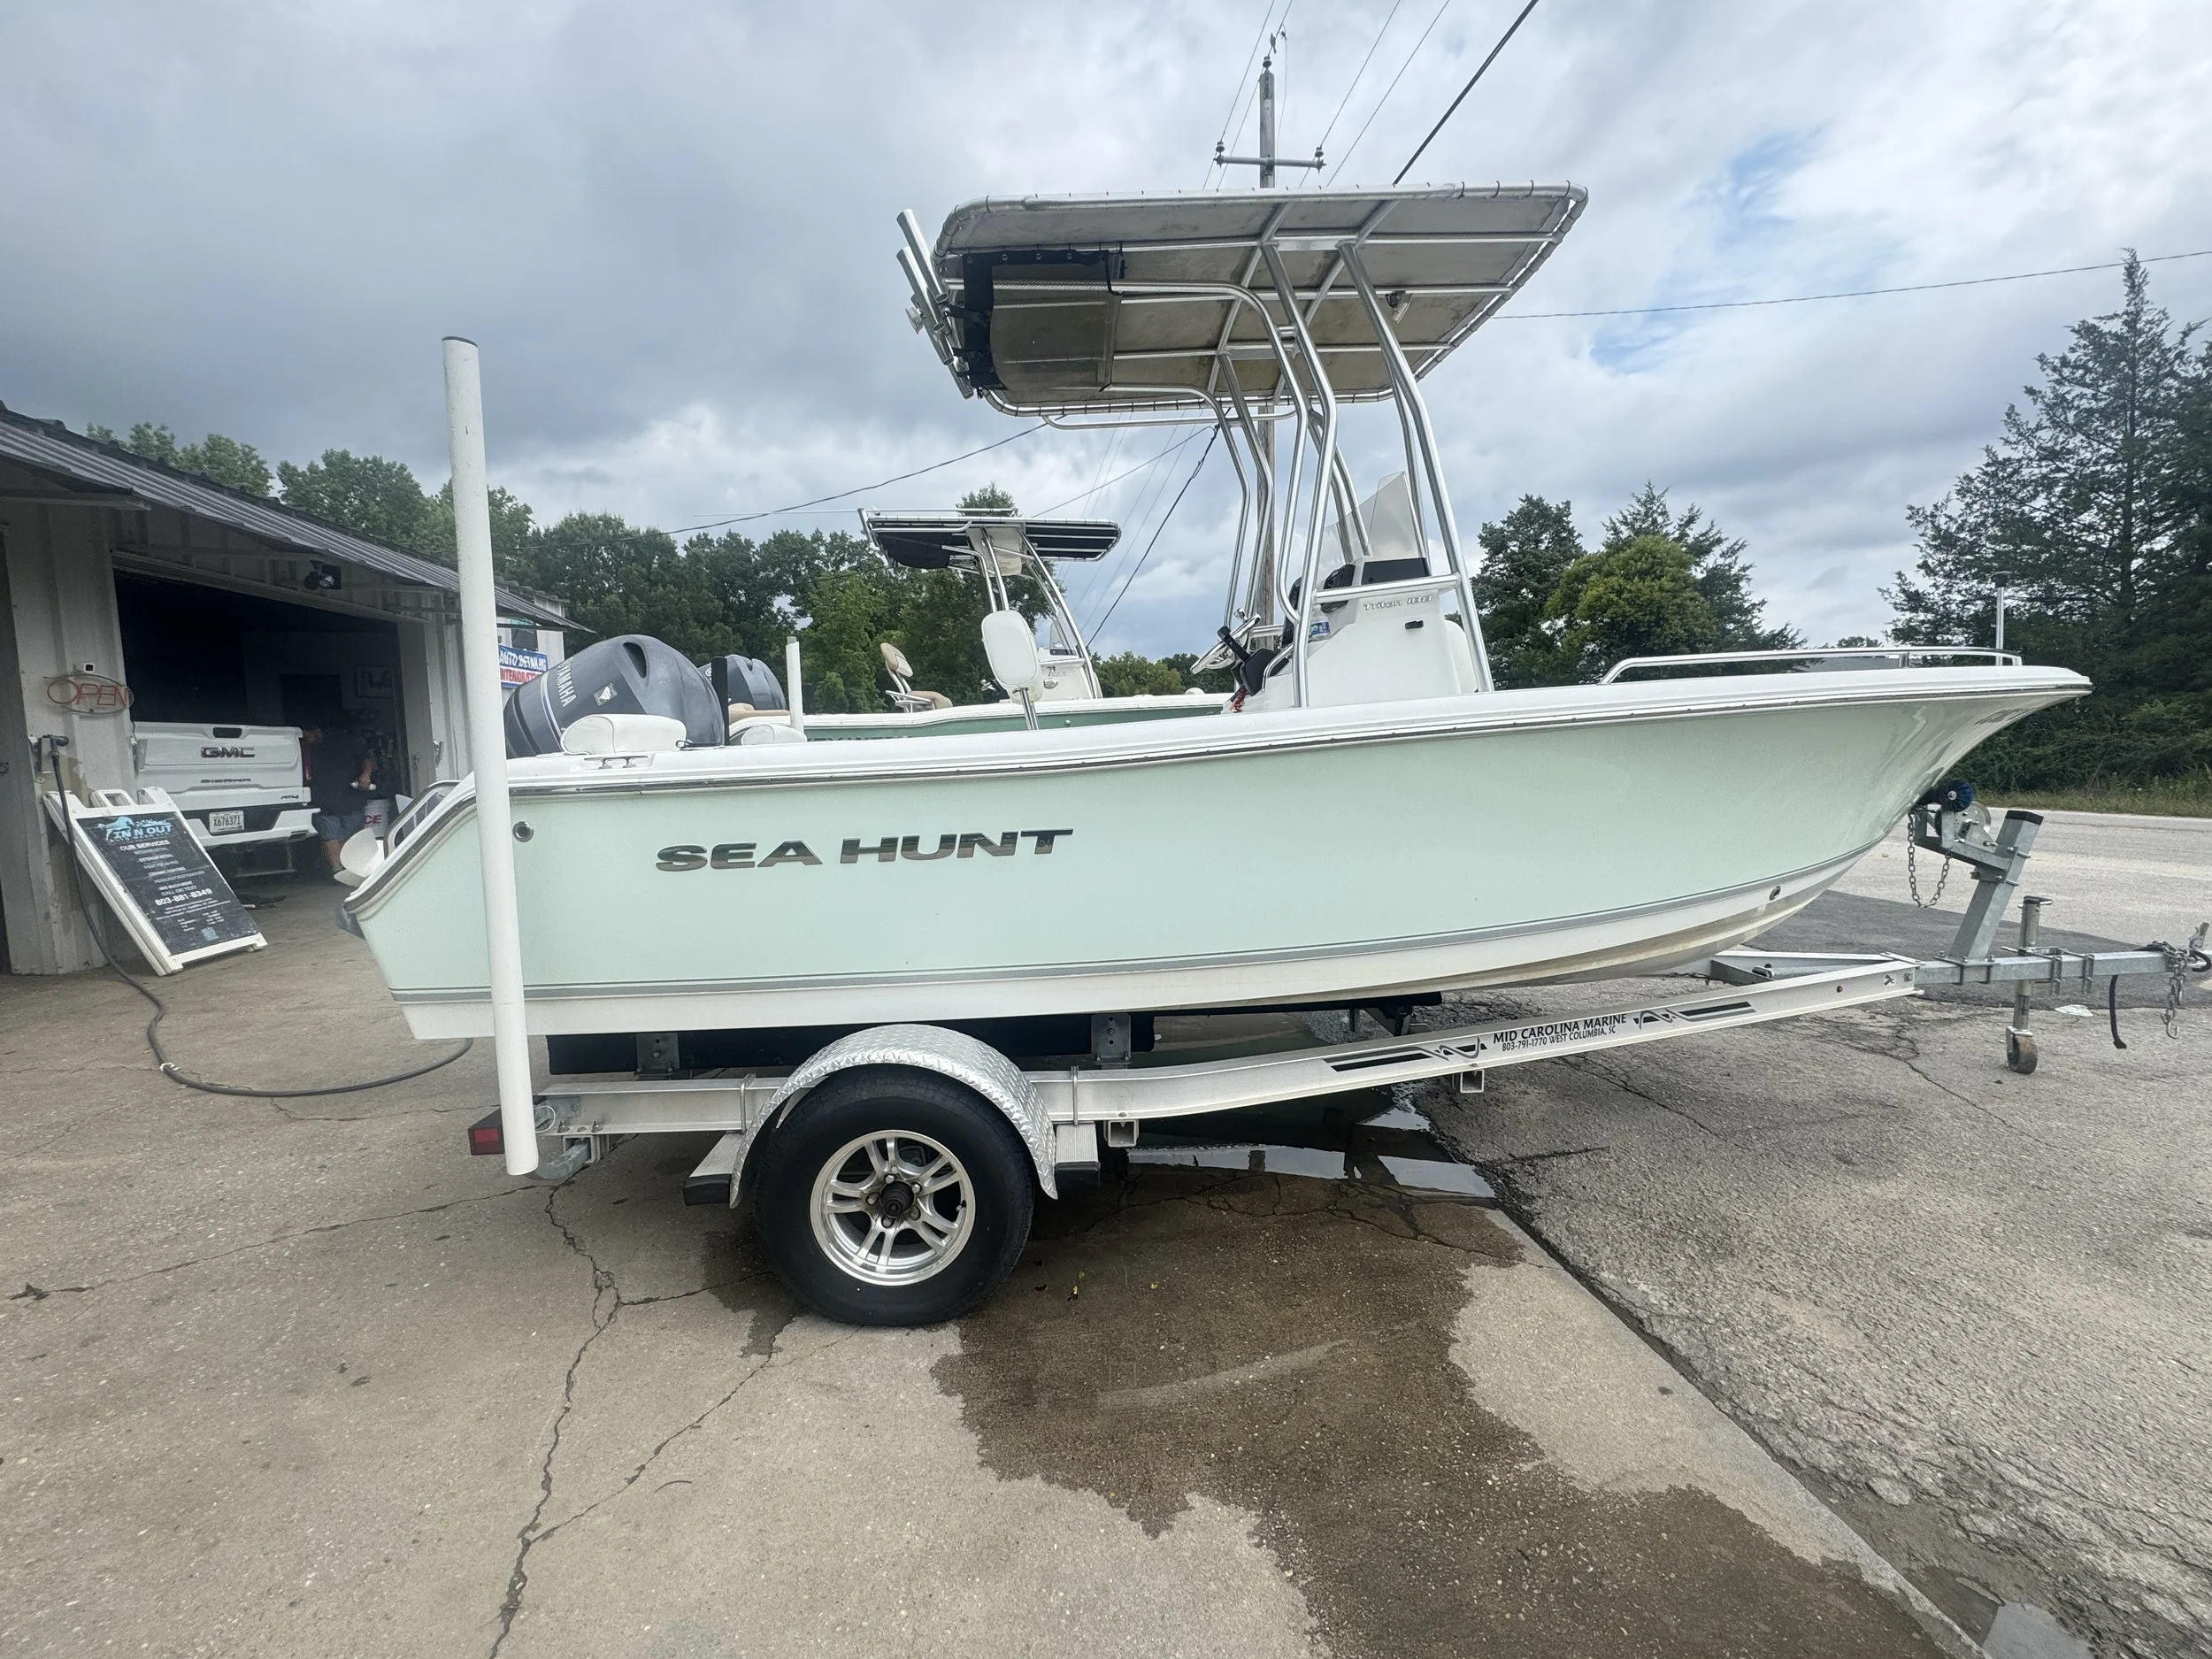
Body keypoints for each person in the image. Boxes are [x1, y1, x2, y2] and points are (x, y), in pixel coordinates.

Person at [302, 717, 375, 878]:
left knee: (350, 838)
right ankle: (338, 871)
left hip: (350, 797)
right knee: (330, 836)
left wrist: (365, 776)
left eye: (306, 734)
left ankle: (350, 869)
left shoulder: (345, 741)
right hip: (323, 801)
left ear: (315, 730)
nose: (305, 739)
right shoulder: (304, 748)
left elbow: (366, 760)